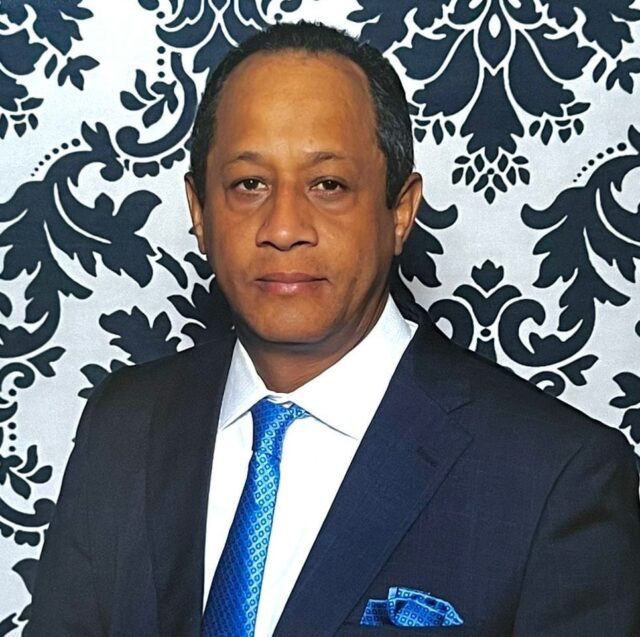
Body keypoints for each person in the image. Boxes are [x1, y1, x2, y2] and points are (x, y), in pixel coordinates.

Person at [26, 21, 640, 637]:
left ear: (400, 212)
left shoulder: (555, 477)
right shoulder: (123, 423)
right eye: (249, 184)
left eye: (328, 185)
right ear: (200, 212)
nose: (284, 227)